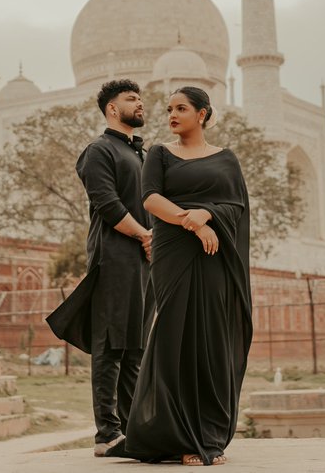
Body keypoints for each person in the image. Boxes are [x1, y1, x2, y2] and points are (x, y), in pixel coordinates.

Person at [125, 86, 252, 467]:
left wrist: (209, 215)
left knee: (210, 340)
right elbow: (150, 199)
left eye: (181, 108)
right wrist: (192, 222)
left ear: (203, 114)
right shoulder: (160, 154)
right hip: (175, 253)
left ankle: (208, 436)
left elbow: (237, 205)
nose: (172, 115)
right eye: (169, 109)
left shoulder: (226, 159)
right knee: (174, 339)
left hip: (215, 258)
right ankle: (176, 435)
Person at [74, 79, 154, 458]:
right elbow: (107, 205)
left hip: (143, 260)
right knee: (111, 345)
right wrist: (145, 236)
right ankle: (107, 433)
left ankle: (130, 429)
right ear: (111, 108)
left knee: (136, 347)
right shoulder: (99, 151)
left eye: (140, 98)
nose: (140, 104)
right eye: (131, 99)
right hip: (115, 257)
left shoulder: (140, 154)